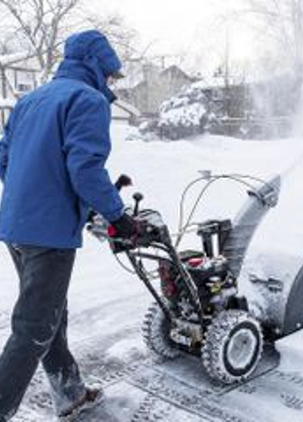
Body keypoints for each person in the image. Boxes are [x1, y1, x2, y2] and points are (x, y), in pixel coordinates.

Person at [0, 30, 137, 421]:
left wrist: (33, 197)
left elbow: (4, 158)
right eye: (111, 74)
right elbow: (84, 168)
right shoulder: (88, 100)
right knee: (33, 328)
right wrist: (118, 216)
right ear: (97, 67)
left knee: (49, 316)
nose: (111, 82)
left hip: (16, 226)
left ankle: (71, 394)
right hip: (49, 235)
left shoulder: (30, 100)